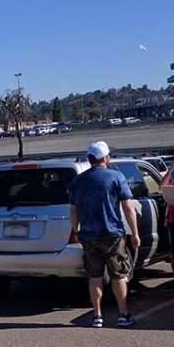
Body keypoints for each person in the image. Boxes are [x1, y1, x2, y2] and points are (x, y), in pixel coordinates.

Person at [69, 141, 140, 328]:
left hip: (89, 235)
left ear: (89, 159)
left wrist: (76, 231)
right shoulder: (116, 177)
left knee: (95, 276)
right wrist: (135, 233)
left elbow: (73, 210)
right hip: (113, 234)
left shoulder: (78, 181)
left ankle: (97, 316)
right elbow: (128, 207)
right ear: (106, 158)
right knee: (118, 275)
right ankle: (123, 314)